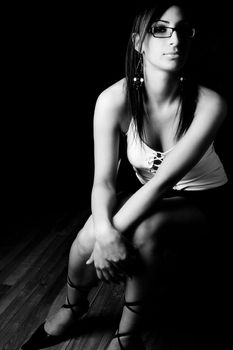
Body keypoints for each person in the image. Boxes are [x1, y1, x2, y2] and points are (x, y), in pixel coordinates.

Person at [21, 0, 229, 349]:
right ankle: (73, 307)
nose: (174, 39)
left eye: (182, 30)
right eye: (160, 29)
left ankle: (127, 335)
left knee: (147, 228)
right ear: (138, 43)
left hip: (204, 198)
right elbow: (103, 181)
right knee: (91, 230)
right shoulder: (112, 100)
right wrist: (104, 234)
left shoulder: (210, 104)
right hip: (151, 194)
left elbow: (163, 182)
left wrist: (112, 237)